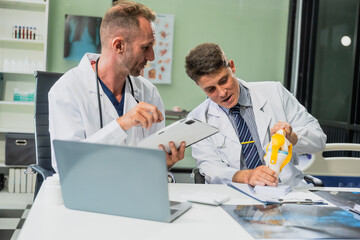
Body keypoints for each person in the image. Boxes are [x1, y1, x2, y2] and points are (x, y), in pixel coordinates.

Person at [49, 1, 185, 173]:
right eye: (145, 47)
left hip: (138, 191)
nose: (152, 57)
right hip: (90, 193)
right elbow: (66, 163)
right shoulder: (67, 90)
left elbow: (153, 161)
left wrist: (163, 164)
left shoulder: (148, 92)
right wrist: (121, 125)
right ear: (119, 45)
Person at [185, 43, 326, 186]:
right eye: (210, 89)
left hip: (286, 191)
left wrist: (293, 137)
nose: (222, 93)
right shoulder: (197, 119)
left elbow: (319, 139)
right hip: (234, 196)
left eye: (224, 81)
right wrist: (246, 176)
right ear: (199, 86)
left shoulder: (275, 92)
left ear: (232, 67)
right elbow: (210, 168)